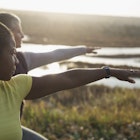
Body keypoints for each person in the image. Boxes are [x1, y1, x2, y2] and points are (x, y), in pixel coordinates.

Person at [0, 22, 140, 140]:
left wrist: (109, 72)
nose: (17, 60)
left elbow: (67, 78)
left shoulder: (15, 87)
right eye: (12, 53)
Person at [0, 12, 100, 140]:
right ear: (7, 32)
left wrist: (83, 50)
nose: (23, 35)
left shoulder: (24, 60)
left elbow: (56, 56)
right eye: (18, 31)